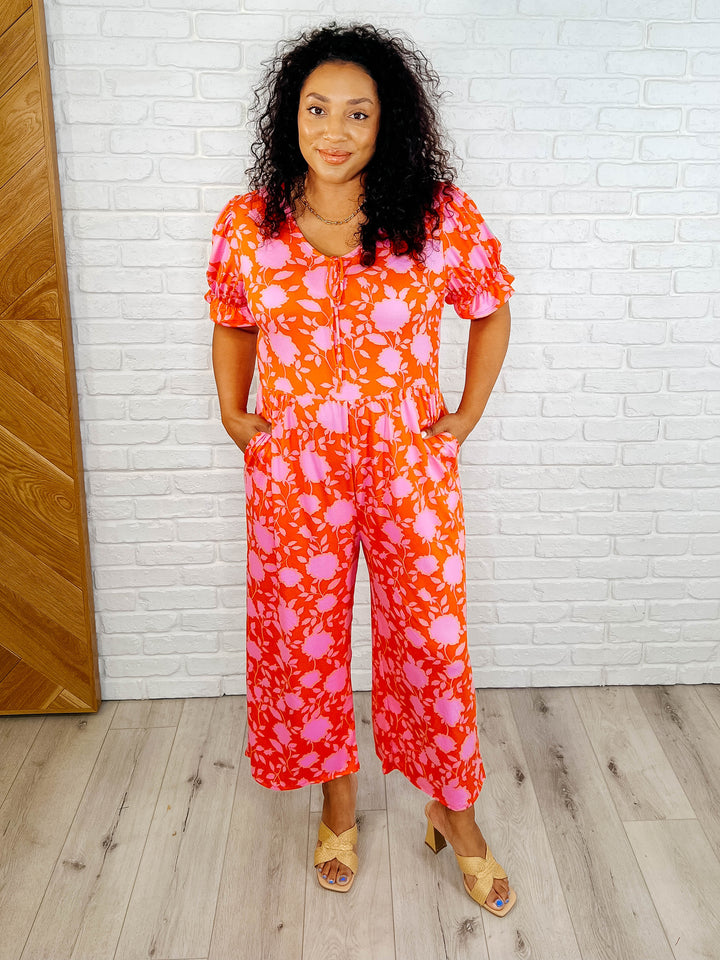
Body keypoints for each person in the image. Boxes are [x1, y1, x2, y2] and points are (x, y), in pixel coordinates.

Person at [206, 23, 516, 916]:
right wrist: (232, 408)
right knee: (305, 642)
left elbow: (490, 307)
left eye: (357, 112)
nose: (333, 130)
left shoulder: (436, 216)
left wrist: (467, 411)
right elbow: (232, 319)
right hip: (295, 473)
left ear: (388, 123)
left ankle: (453, 810)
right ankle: (337, 803)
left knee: (432, 641)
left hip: (409, 467)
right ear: (290, 115)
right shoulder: (249, 224)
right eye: (316, 109)